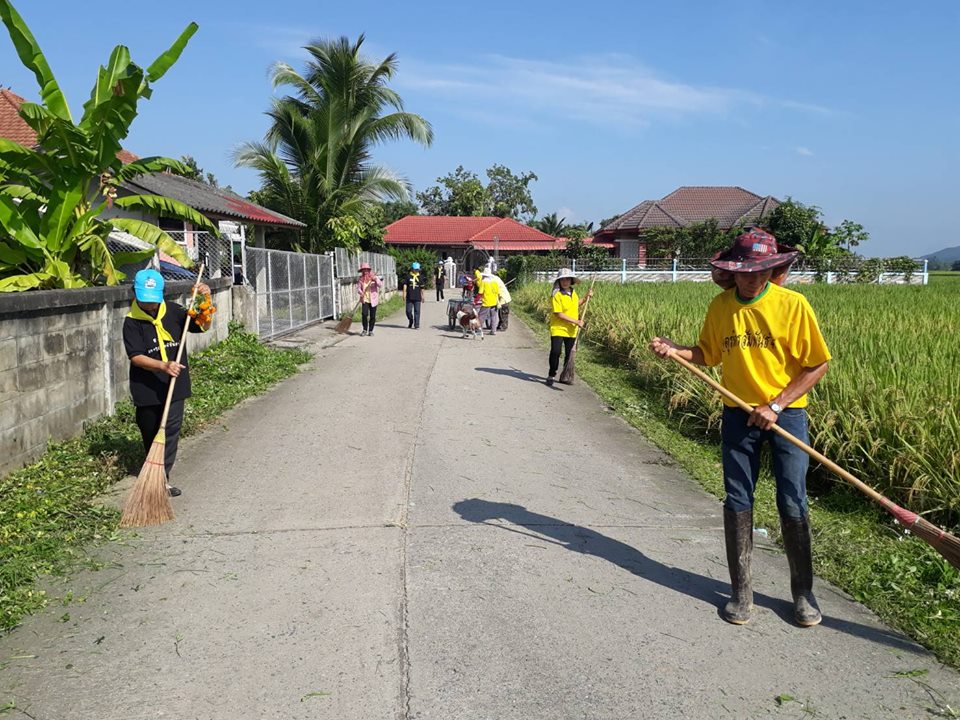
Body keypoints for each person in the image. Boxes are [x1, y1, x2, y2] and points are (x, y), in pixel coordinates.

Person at [649, 228, 831, 628]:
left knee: (792, 500)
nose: (753, 278)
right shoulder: (721, 307)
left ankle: (803, 593)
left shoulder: (792, 305)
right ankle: (741, 591)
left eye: (761, 271)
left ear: (772, 269)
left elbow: (817, 364)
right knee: (737, 498)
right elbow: (708, 354)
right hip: (738, 414)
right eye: (746, 271)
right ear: (733, 271)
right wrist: (675, 350)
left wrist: (776, 405)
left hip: (786, 415)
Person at [123, 269, 211, 497]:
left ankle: (162, 479)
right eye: (144, 300)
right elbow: (136, 356)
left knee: (170, 432)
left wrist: (205, 300)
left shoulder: (174, 311)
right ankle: (152, 470)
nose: (149, 306)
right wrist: (163, 365)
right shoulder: (132, 321)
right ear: (135, 294)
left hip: (174, 385)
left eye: (153, 300)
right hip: (147, 387)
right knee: (150, 430)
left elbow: (202, 326)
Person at [546, 268, 593, 386]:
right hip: (558, 327)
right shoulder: (556, 295)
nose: (565, 281)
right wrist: (576, 321)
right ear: (559, 281)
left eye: (567, 279)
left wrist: (586, 298)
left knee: (569, 353)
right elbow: (558, 313)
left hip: (572, 329)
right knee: (556, 351)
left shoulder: (573, 292)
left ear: (571, 280)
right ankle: (551, 374)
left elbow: (575, 305)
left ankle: (565, 375)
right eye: (562, 279)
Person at [358, 262, 383, 336]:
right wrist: (361, 293)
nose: (365, 271)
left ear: (369, 270)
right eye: (364, 270)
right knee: (364, 314)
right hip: (365, 299)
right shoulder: (361, 279)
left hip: (373, 300)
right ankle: (364, 330)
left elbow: (380, 285)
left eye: (366, 269)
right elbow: (358, 288)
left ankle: (371, 330)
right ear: (362, 271)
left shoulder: (373, 277)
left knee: (372, 316)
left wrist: (376, 279)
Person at [477, 268, 500, 336]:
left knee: (481, 316)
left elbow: (480, 293)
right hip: (494, 302)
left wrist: (476, 301)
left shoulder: (484, 281)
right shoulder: (495, 282)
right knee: (494, 317)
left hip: (486, 302)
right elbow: (497, 292)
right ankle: (493, 331)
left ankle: (479, 331)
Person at [402, 261, 424, 329]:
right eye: (416, 269)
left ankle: (416, 325)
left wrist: (423, 296)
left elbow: (422, 288)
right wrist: (404, 293)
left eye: (418, 269)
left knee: (417, 311)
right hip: (409, 296)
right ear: (412, 269)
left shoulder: (420, 277)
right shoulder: (408, 276)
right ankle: (411, 320)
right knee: (408, 311)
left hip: (417, 297)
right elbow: (405, 285)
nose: (417, 270)